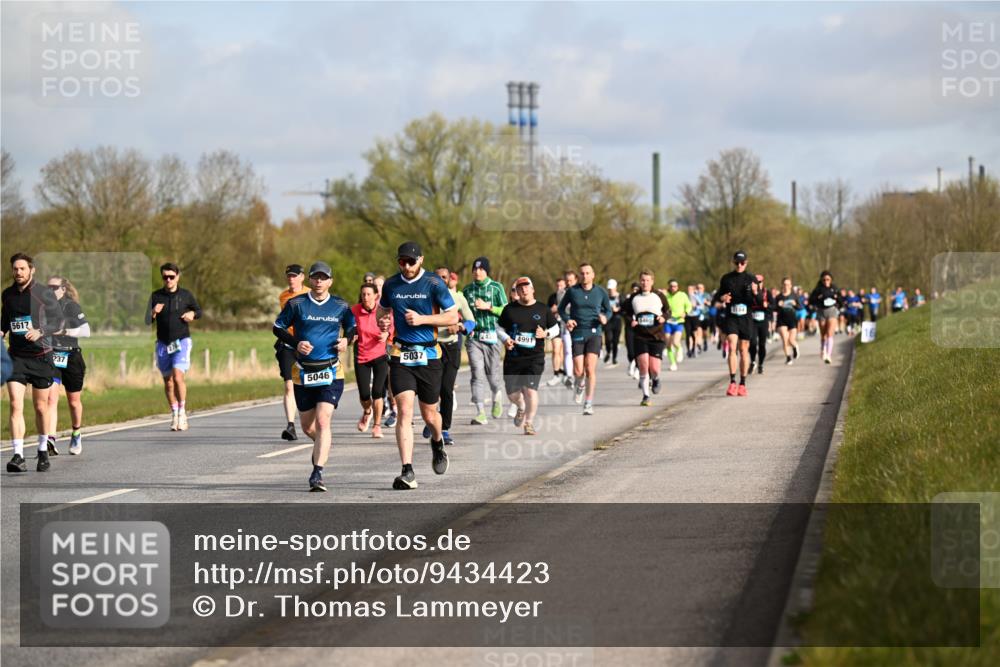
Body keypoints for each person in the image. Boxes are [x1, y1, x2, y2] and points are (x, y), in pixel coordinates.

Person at [378, 241, 459, 490]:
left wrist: (423, 319)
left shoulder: (434, 283)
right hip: (401, 354)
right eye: (402, 261)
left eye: (411, 261)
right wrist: (382, 322)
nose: (406, 266)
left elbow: (452, 316)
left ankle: (437, 441)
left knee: (430, 415)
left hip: (429, 355)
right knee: (404, 410)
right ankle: (407, 470)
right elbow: (382, 311)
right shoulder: (391, 284)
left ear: (421, 260)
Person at [273, 261, 355, 492]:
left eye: (323, 278)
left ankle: (317, 473)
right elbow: (277, 328)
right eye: (315, 277)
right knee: (309, 426)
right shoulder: (296, 303)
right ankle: (323, 444)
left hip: (331, 371)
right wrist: (296, 343)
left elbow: (352, 326)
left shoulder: (340, 305)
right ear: (310, 280)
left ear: (330, 281)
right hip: (303, 373)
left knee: (322, 421)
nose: (319, 282)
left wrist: (346, 340)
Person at [3, 253, 63, 473]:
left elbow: (58, 322)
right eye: (15, 269)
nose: (18, 272)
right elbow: (5, 321)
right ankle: (18, 455)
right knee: (15, 405)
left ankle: (42, 451)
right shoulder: (7, 294)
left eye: (22, 269)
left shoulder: (43, 293)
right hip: (16, 357)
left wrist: (40, 331)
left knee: (40, 407)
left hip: (41, 356)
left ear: (31, 270)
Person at [498, 277, 559, 435]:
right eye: (520, 288)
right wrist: (505, 339)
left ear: (533, 290)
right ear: (516, 292)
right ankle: (521, 406)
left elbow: (556, 329)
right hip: (513, 357)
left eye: (527, 287)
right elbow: (499, 328)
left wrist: (545, 333)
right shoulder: (509, 310)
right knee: (512, 394)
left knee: (531, 391)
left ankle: (529, 423)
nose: (524, 290)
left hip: (534, 357)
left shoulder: (542, 309)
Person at [146, 262, 201, 431]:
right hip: (163, 343)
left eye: (171, 276)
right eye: (165, 277)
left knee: (178, 377)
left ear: (177, 276)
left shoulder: (185, 295)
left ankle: (183, 413)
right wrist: (153, 311)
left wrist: (192, 313)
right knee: (168, 382)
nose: (168, 280)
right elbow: (147, 320)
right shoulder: (156, 296)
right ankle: (175, 413)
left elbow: (199, 311)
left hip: (181, 341)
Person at [426, 266, 475, 445]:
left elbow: (471, 321)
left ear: (449, 279)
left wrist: (461, 327)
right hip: (432, 347)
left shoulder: (458, 298)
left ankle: (444, 428)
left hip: (451, 348)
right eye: (438, 277)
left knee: (446, 389)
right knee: (431, 388)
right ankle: (431, 418)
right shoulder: (426, 298)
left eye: (444, 277)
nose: (441, 279)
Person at [558, 262, 612, 415]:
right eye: (582, 273)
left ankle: (588, 402)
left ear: (593, 275)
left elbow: (608, 311)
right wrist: (567, 319)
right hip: (578, 332)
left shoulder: (600, 292)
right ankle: (580, 384)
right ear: (579, 276)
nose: (585, 276)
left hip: (594, 332)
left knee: (590, 369)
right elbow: (561, 309)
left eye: (588, 273)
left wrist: (605, 318)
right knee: (578, 370)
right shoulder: (572, 291)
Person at [45, 276, 90, 455]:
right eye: (47, 287)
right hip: (52, 355)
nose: (50, 290)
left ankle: (76, 432)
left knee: (73, 402)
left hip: (71, 356)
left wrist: (65, 331)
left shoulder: (71, 306)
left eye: (54, 287)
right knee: (50, 399)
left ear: (63, 289)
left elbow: (86, 331)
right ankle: (50, 439)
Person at [461, 256, 508, 425]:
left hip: (492, 337)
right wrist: (465, 326)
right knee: (476, 373)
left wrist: (489, 307)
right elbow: (462, 313)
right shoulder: (467, 290)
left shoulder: (496, 288)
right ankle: (480, 412)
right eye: (475, 269)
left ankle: (497, 394)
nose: (477, 272)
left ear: (487, 271)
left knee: (492, 376)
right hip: (474, 338)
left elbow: (506, 311)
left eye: (481, 269)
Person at [621, 270, 669, 406]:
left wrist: (663, 318)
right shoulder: (634, 297)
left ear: (652, 281)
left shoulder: (659, 296)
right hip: (640, 336)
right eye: (642, 280)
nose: (645, 283)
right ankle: (645, 396)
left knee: (654, 368)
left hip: (656, 336)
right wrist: (631, 320)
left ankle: (656, 379)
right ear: (640, 281)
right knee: (643, 366)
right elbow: (625, 311)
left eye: (648, 280)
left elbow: (668, 311)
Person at [352, 283, 392, 439]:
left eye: (369, 294)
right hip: (362, 356)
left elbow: (393, 327)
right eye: (363, 294)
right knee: (364, 395)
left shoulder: (384, 310)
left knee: (377, 392)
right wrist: (350, 335)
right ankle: (367, 412)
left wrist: (387, 335)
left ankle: (377, 426)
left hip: (380, 355)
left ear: (376, 295)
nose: (365, 297)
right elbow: (348, 327)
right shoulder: (354, 311)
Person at [275, 264, 310, 441]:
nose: (291, 279)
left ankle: (314, 418)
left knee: (307, 385)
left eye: (295, 276)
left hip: (308, 346)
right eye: (289, 276)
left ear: (302, 277)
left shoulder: (310, 294)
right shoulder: (283, 296)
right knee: (289, 385)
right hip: (288, 345)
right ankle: (291, 425)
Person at [716, 250, 756, 396]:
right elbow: (717, 296)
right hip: (732, 317)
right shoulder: (726, 278)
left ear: (746, 262)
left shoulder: (751, 279)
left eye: (742, 263)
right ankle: (732, 382)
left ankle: (743, 383)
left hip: (746, 318)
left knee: (743, 350)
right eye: (737, 263)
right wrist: (723, 298)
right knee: (732, 346)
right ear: (733, 263)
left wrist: (755, 293)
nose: (739, 265)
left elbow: (757, 302)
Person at [809, 271, 842, 365]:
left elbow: (841, 300)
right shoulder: (818, 289)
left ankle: (828, 355)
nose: (826, 281)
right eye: (824, 280)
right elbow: (811, 300)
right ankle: (823, 348)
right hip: (821, 312)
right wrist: (819, 298)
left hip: (832, 311)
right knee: (823, 335)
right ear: (821, 280)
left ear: (831, 280)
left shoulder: (834, 289)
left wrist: (837, 300)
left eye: (828, 279)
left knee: (830, 333)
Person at [545, 278, 569, 387]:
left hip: (567, 325)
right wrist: (552, 310)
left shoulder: (569, 296)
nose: (559, 288)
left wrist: (559, 308)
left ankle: (565, 371)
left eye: (561, 285)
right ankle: (556, 374)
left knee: (565, 350)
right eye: (558, 286)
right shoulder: (552, 297)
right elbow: (548, 311)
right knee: (556, 349)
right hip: (555, 325)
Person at [663, 280, 692, 372]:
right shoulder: (665, 296)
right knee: (668, 344)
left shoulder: (682, 295)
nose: (673, 288)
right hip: (668, 322)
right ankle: (673, 363)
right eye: (671, 286)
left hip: (678, 321)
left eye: (675, 286)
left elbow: (689, 305)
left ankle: (679, 349)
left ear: (678, 287)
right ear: (669, 286)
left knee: (675, 342)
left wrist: (686, 312)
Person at [747, 274, 772, 375]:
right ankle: (753, 361)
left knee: (762, 344)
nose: (757, 284)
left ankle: (761, 363)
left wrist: (767, 306)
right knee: (752, 342)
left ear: (762, 282)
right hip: (752, 321)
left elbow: (773, 306)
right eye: (755, 282)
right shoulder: (749, 293)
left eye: (759, 282)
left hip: (763, 321)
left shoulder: (767, 292)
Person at [775, 278, 800, 365]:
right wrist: (778, 305)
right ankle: (788, 357)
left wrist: (795, 304)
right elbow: (774, 308)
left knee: (791, 339)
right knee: (785, 339)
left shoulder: (794, 296)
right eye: (784, 284)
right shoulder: (779, 297)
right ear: (782, 285)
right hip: (782, 320)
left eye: (788, 284)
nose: (786, 286)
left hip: (792, 320)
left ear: (791, 285)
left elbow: (800, 307)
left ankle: (795, 347)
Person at [603, 279, 622, 366]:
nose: (610, 290)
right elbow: (601, 308)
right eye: (609, 289)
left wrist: (617, 309)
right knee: (608, 339)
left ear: (615, 288)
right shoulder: (605, 297)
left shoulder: (620, 297)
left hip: (617, 320)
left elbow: (624, 309)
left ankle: (614, 358)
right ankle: (608, 352)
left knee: (615, 341)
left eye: (612, 289)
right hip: (608, 321)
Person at [624, 281, 641, 379]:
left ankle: (638, 369)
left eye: (637, 289)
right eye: (633, 289)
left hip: (640, 328)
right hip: (629, 327)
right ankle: (632, 362)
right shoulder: (628, 300)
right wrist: (630, 320)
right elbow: (624, 313)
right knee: (630, 350)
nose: (635, 291)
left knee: (639, 350)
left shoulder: (643, 300)